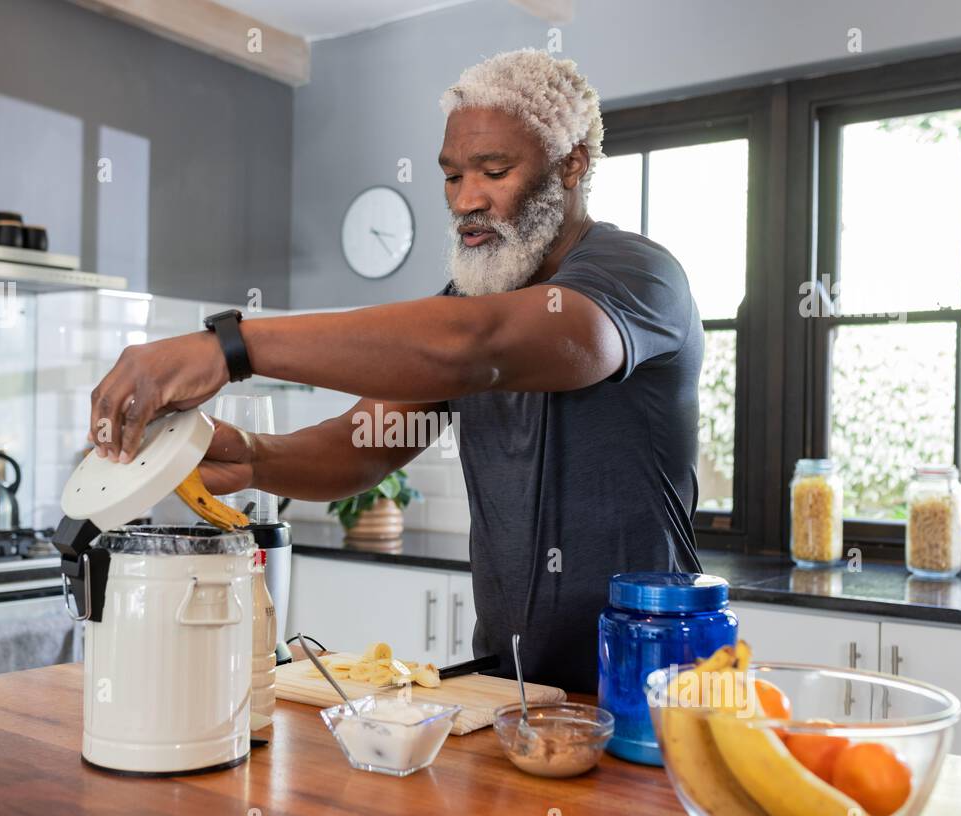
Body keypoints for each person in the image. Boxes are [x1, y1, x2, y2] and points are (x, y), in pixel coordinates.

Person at [87, 49, 703, 693]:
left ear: (572, 164)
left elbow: (477, 347)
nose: (466, 200)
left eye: (494, 171)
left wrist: (228, 348)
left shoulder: (639, 275)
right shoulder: (466, 303)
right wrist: (255, 457)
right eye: (451, 176)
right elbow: (362, 448)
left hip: (650, 692)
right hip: (511, 689)